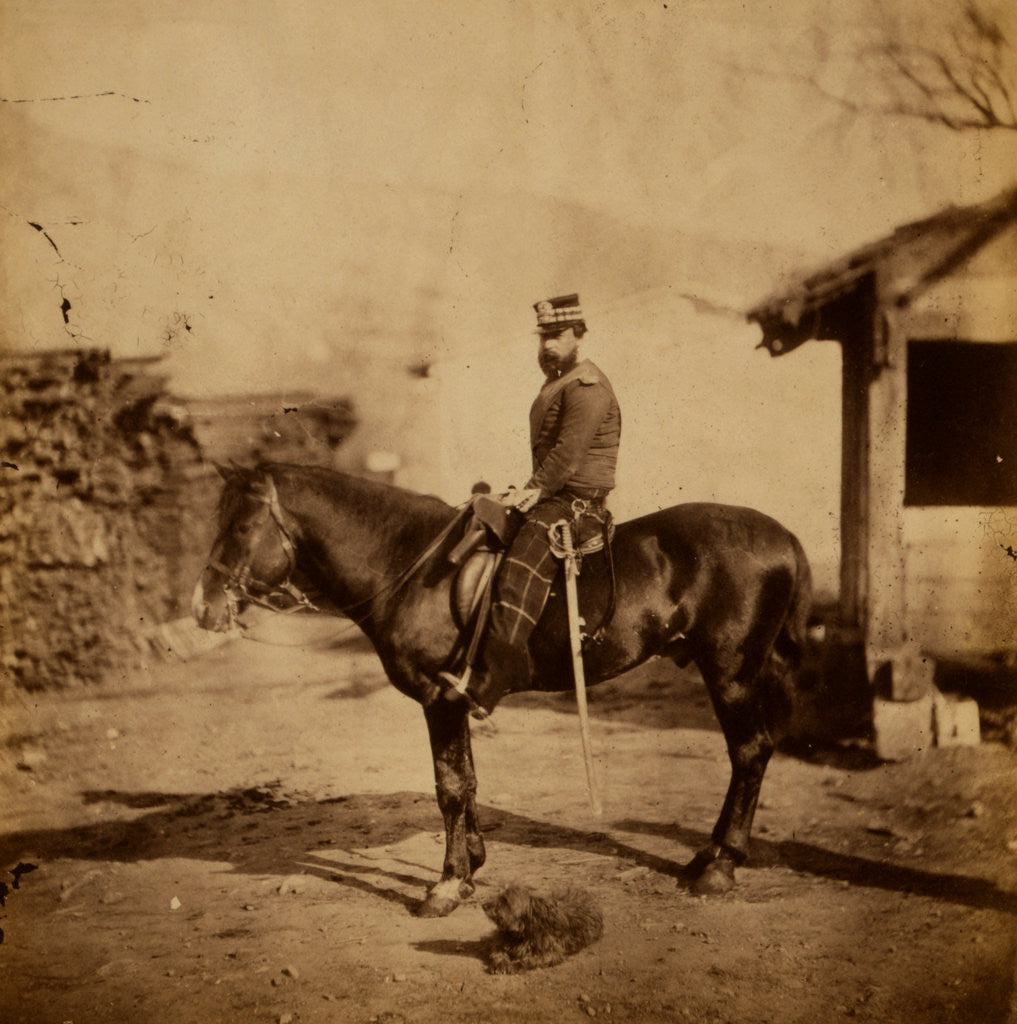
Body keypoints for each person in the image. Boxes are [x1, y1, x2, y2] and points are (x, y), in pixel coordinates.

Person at [446, 293, 621, 717]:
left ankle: (494, 677)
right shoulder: (558, 380)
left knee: (518, 568)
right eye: (542, 336)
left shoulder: (587, 386)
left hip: (576, 505)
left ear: (579, 335)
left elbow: (568, 454)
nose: (547, 345)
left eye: (558, 335)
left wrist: (535, 490)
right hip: (557, 494)